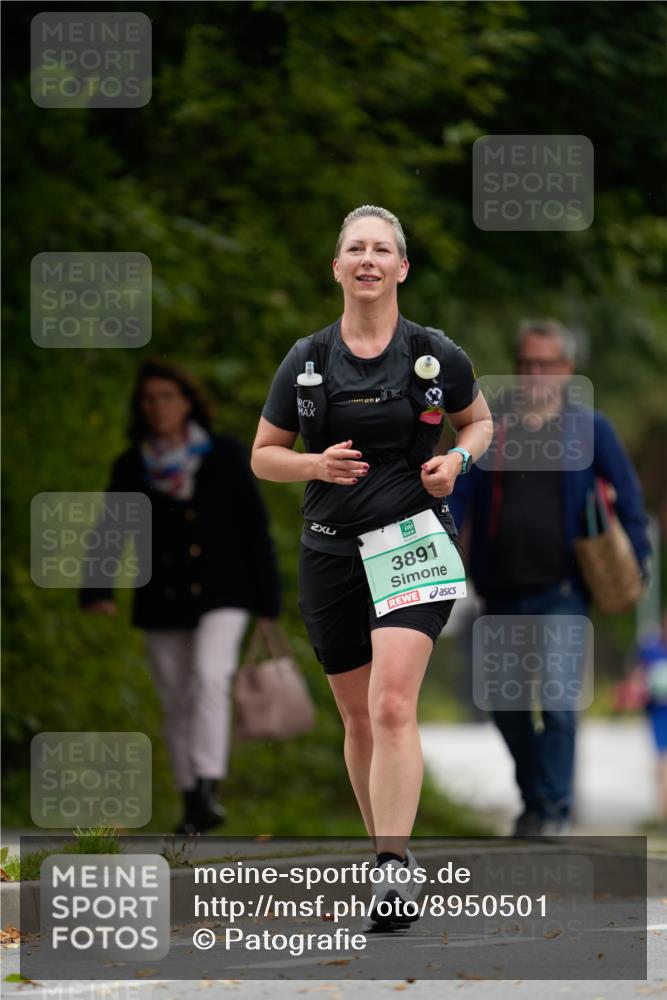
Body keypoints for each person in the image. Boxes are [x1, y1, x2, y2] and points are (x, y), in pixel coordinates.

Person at [251, 205, 493, 930]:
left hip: (412, 542)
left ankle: (390, 870)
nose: (367, 259)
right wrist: (313, 464)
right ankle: (389, 854)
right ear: (337, 267)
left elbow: (479, 422)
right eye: (354, 248)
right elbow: (263, 456)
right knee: (358, 719)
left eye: (381, 249)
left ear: (401, 267)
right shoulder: (306, 359)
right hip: (329, 549)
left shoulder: (434, 354)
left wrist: (458, 459)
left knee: (391, 704)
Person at [449, 319, 652, 835]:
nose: (535, 373)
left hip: (564, 591)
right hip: (499, 591)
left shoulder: (591, 428)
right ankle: (537, 798)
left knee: (559, 704)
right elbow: (459, 495)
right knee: (507, 708)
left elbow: (629, 501)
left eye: (546, 364)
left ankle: (553, 812)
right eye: (527, 364)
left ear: (566, 369)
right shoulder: (492, 426)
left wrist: (639, 562)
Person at [81, 360, 281, 834]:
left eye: (167, 397)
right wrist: (97, 588)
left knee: (211, 677)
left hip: (224, 591)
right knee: (175, 698)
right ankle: (192, 798)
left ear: (188, 402)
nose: (158, 407)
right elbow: (111, 529)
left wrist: (268, 600)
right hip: (162, 595)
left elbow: (254, 527)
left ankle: (209, 785)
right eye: (149, 399)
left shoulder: (225, 454)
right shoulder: (131, 466)